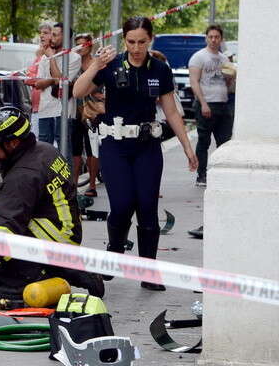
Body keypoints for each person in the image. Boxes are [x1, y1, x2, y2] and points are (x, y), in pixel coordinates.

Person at [73, 17, 197, 291]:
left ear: (150, 39)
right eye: (131, 41)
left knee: (147, 208)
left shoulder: (161, 69)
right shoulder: (112, 64)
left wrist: (188, 148)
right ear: (124, 40)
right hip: (115, 146)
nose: (137, 47)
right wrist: (96, 64)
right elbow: (78, 91)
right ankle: (115, 250)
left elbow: (172, 112)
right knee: (121, 204)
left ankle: (149, 273)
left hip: (147, 147)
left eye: (142, 41)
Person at [0, 105, 105, 298]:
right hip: (66, 230)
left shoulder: (23, 175)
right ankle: (68, 269)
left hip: (55, 239)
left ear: (13, 143)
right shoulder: (44, 150)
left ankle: (35, 276)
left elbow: (10, 225)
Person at [188, 24, 234, 188]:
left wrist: (230, 79)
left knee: (224, 142)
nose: (214, 40)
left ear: (221, 39)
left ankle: (221, 173)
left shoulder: (224, 59)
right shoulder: (198, 57)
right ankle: (202, 175)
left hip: (223, 104)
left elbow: (228, 83)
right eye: (211, 37)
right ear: (206, 38)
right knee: (204, 141)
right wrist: (203, 104)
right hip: (206, 104)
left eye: (217, 37)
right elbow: (194, 82)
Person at [30, 23, 80, 149]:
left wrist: (52, 58)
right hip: (45, 110)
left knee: (64, 150)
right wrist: (53, 80)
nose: (51, 38)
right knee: (43, 150)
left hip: (63, 111)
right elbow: (38, 84)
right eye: (51, 34)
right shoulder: (43, 57)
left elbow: (60, 81)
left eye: (55, 35)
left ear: (65, 38)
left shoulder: (74, 58)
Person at [71, 33, 101, 197]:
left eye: (83, 45)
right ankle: (73, 185)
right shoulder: (73, 64)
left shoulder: (95, 64)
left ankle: (92, 185)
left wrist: (98, 93)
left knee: (92, 149)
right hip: (74, 111)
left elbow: (102, 85)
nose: (80, 48)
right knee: (75, 149)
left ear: (90, 46)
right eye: (78, 45)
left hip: (92, 112)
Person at [26, 22, 52, 135]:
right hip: (37, 108)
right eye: (41, 33)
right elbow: (28, 79)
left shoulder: (53, 55)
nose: (41, 36)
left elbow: (31, 79)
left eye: (45, 33)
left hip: (49, 109)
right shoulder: (40, 55)